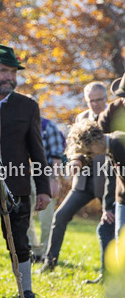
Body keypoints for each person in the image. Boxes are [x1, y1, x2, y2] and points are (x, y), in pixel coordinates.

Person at [0, 44, 50, 298]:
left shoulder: (27, 106)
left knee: (20, 245)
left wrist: (43, 188)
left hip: (17, 187)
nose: (9, 77)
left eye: (13, 72)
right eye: (4, 71)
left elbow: (37, 150)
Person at [42, 82, 109, 271]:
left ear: (106, 98)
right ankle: (49, 263)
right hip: (83, 182)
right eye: (91, 101)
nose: (95, 104)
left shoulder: (113, 116)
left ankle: (107, 273)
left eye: (99, 100)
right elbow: (74, 147)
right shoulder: (81, 117)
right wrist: (74, 161)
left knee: (108, 225)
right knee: (60, 216)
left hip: (107, 183)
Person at [29, 117, 65, 261]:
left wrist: (55, 180)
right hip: (25, 175)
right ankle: (35, 250)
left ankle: (46, 253)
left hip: (47, 175)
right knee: (23, 217)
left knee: (46, 220)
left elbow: (57, 156)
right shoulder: (22, 124)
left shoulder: (48, 127)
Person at [98, 72, 125, 260]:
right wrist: (78, 159)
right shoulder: (113, 110)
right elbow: (93, 137)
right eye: (123, 96)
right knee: (119, 239)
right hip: (121, 188)